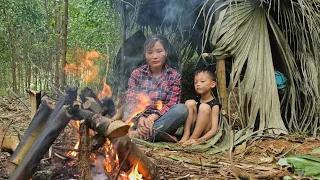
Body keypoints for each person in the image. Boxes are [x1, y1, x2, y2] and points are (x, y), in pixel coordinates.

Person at [124, 34, 188, 142]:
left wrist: (152, 117)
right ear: (145, 54)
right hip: (138, 120)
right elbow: (131, 100)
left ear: (166, 52)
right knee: (124, 109)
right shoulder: (137, 74)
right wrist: (140, 118)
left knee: (182, 109)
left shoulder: (174, 76)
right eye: (150, 52)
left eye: (159, 51)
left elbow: (172, 103)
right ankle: (156, 135)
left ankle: (138, 135)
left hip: (160, 120)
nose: (155, 56)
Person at [178, 67, 221, 146]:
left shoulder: (215, 105)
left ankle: (193, 139)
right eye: (195, 82)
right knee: (189, 102)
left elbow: (214, 130)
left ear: (212, 84)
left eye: (202, 81)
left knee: (204, 107)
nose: (198, 84)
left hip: (203, 134)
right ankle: (186, 135)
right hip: (192, 129)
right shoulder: (196, 101)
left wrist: (200, 140)